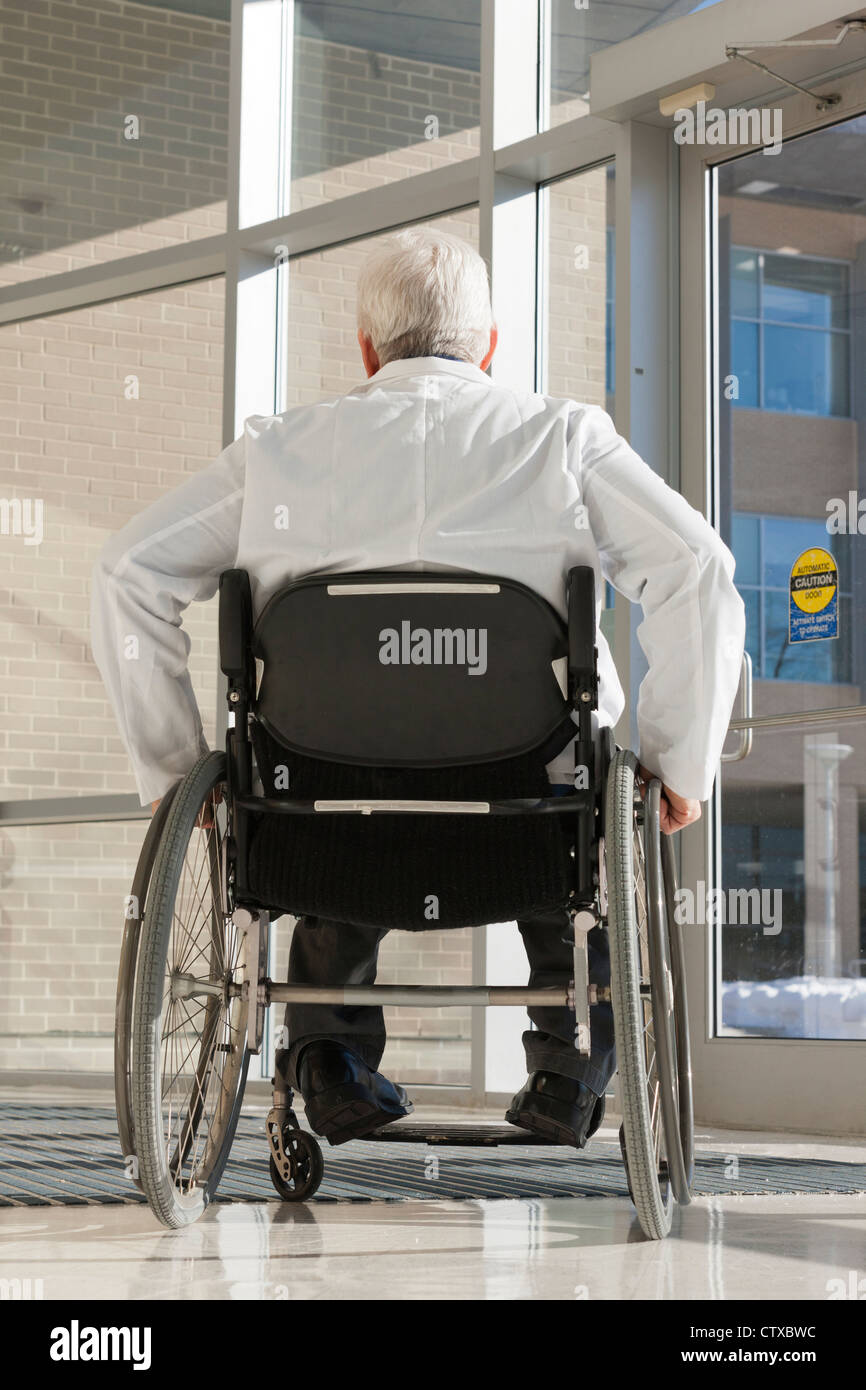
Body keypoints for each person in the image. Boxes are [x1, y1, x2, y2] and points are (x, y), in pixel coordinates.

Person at [92, 227, 745, 1148]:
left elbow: (127, 573)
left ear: (366, 350)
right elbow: (702, 573)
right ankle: (569, 1065)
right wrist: (680, 762)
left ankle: (329, 1059)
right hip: (529, 812)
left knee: (334, 760)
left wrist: (173, 774)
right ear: (487, 345)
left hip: (323, 817)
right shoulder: (564, 440)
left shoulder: (279, 452)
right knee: (579, 814)